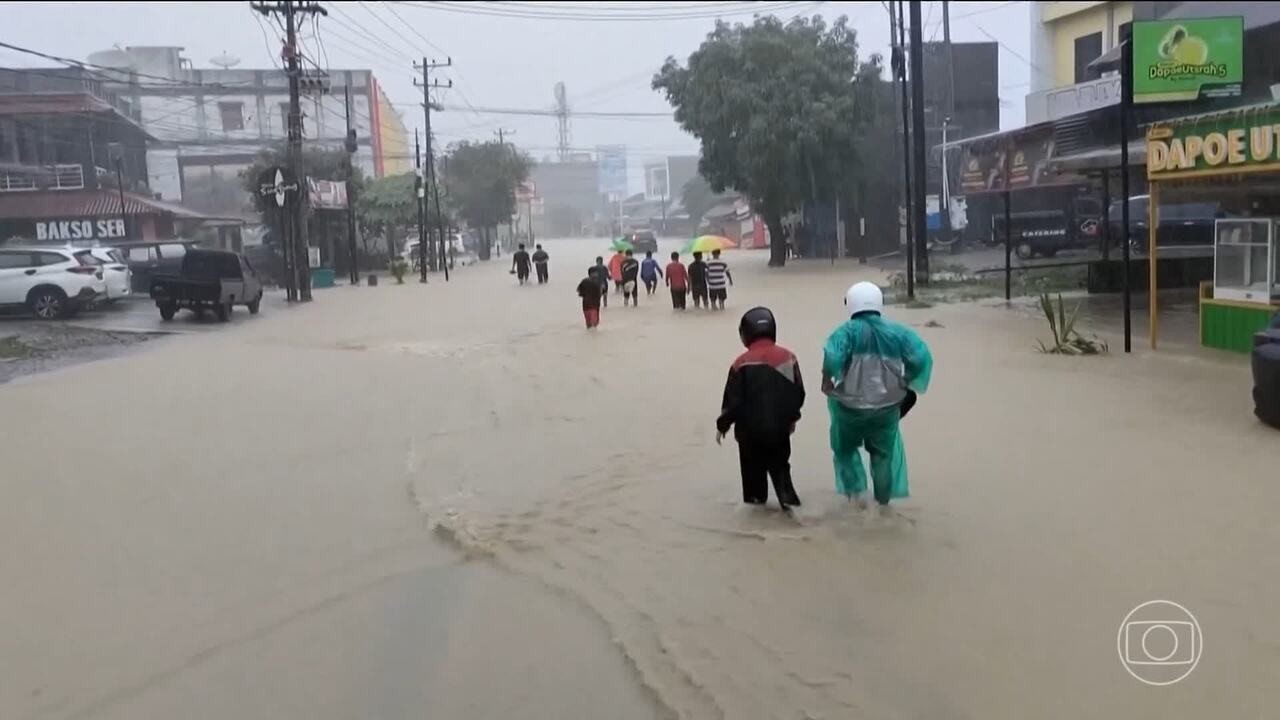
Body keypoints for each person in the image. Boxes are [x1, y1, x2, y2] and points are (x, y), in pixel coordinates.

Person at [821, 282, 933, 510]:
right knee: (882, 456)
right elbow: (921, 358)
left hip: (849, 408)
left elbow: (832, 358)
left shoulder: (845, 333)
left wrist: (826, 380)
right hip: (887, 408)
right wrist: (908, 380)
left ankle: (855, 498)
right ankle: (883, 504)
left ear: (851, 304)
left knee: (845, 449)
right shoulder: (899, 334)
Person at [716, 307, 805, 509]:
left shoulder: (740, 363)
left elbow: (732, 403)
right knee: (782, 475)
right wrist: (792, 418)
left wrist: (722, 426)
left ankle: (756, 528)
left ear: (745, 333)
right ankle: (792, 512)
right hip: (779, 432)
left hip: (749, 436)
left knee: (754, 489)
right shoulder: (788, 358)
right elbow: (798, 394)